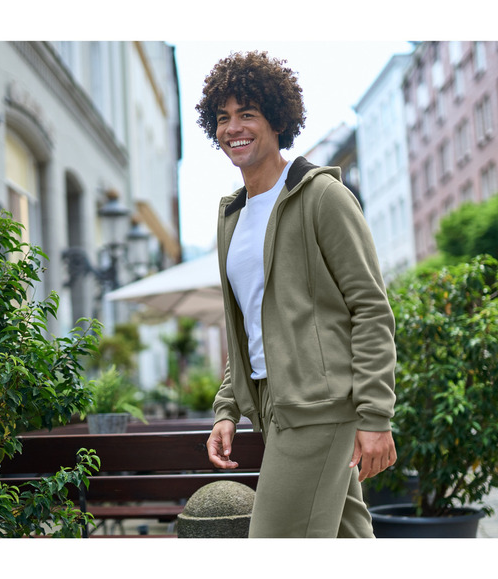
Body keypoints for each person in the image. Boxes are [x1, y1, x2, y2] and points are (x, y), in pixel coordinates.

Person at [196, 50, 397, 538]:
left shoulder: (321, 197)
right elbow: (248, 325)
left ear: (278, 120)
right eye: (222, 117)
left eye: (247, 113)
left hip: (318, 407)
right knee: (348, 538)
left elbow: (370, 308)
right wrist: (227, 407)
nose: (233, 128)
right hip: (275, 408)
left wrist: (376, 415)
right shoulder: (232, 217)